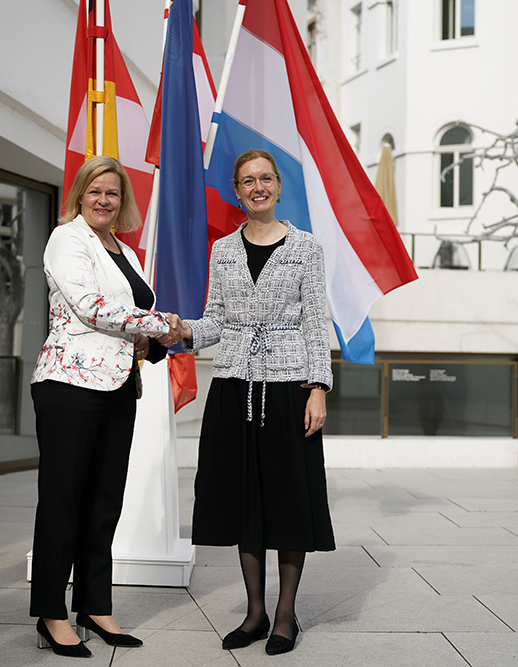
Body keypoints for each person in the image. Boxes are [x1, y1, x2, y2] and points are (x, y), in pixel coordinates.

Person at [164, 149, 335, 656]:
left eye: (265, 179)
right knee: (245, 499)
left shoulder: (306, 248)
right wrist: (184, 331)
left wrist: (319, 388)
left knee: (289, 497)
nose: (257, 187)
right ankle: (255, 613)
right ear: (237, 191)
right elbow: (216, 318)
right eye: (246, 181)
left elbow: (315, 321)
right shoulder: (222, 249)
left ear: (278, 186)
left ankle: (285, 615)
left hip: (289, 388)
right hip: (234, 386)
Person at [29, 155, 177, 658]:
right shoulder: (66, 239)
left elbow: (129, 316)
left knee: (103, 503)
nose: (104, 199)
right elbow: (91, 308)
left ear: (122, 200)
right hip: (69, 385)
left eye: (112, 192)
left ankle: (95, 606)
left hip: (118, 387)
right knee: (62, 501)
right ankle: (51, 613)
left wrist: (150, 341)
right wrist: (161, 324)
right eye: (95, 190)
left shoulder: (125, 250)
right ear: (80, 194)